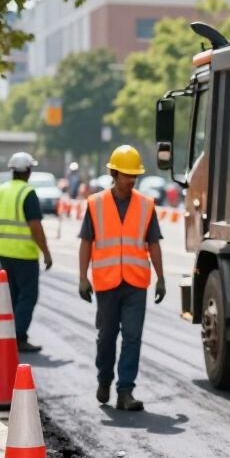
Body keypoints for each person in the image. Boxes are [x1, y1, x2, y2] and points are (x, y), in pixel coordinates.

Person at [78, 145, 166, 411]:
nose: (131, 180)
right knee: (106, 337)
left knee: (132, 337)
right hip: (106, 283)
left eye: (134, 175)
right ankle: (104, 378)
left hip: (136, 283)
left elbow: (154, 244)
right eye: (127, 174)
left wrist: (161, 278)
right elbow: (86, 242)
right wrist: (83, 277)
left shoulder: (145, 205)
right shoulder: (96, 204)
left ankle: (125, 391)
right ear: (114, 173)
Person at [0, 152, 53, 352]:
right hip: (24, 254)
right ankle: (19, 336)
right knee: (28, 295)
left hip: (4, 252)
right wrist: (46, 253)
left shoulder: (2, 190)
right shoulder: (27, 193)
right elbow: (35, 227)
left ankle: (8, 334)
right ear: (28, 172)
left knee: (12, 295)